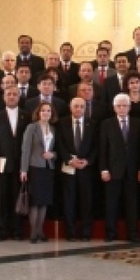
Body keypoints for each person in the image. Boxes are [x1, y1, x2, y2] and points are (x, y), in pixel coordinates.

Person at [100, 93, 140, 243]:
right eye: (119, 106)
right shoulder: (106, 124)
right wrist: (104, 169)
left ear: (129, 107)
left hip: (132, 171)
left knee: (132, 205)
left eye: (124, 105)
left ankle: (133, 233)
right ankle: (111, 233)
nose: (122, 108)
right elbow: (103, 149)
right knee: (111, 204)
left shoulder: (138, 123)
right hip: (113, 171)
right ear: (114, 108)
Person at [0, 86, 28, 242]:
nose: (11, 96)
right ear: (4, 97)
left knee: (17, 197)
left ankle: (18, 230)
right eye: (8, 94)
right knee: (2, 198)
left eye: (14, 94)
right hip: (2, 163)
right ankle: (2, 230)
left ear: (19, 97)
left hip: (20, 164)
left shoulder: (26, 115)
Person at [57, 98, 97, 241]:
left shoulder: (92, 124)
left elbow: (96, 146)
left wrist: (88, 161)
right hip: (68, 168)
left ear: (85, 108)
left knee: (86, 202)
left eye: (81, 106)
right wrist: (69, 159)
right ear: (70, 107)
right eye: (76, 106)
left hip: (86, 169)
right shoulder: (62, 123)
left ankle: (86, 233)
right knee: (69, 202)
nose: (79, 109)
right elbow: (59, 143)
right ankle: (71, 233)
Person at [21, 102, 58, 243]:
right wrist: (23, 169)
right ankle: (33, 232)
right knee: (35, 202)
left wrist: (52, 155)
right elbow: (25, 150)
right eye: (43, 110)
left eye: (48, 111)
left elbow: (55, 151)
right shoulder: (32, 127)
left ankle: (40, 231)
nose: (46, 113)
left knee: (44, 202)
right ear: (38, 112)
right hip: (34, 167)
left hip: (48, 169)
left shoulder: (53, 129)